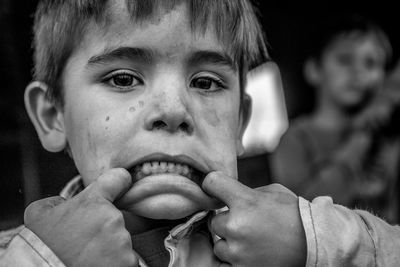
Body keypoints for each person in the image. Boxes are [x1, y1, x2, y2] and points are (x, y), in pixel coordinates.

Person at [0, 1, 399, 266]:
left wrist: (316, 244)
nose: (174, 111)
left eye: (206, 83)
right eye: (123, 78)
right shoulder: (19, 254)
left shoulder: (285, 247)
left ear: (240, 122)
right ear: (53, 115)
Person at [270, 14, 400, 223]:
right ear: (314, 70)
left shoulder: (389, 142)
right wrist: (361, 137)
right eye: (344, 59)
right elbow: (306, 216)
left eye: (371, 63)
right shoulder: (295, 138)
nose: (358, 71)